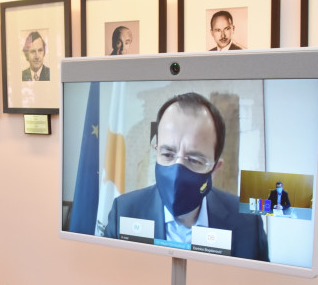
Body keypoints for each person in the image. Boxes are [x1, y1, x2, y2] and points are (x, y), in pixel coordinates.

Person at [103, 93, 268, 260]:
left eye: (194, 160)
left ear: (215, 168)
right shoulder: (125, 212)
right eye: (167, 154)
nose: (177, 170)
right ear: (156, 152)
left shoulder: (247, 224)